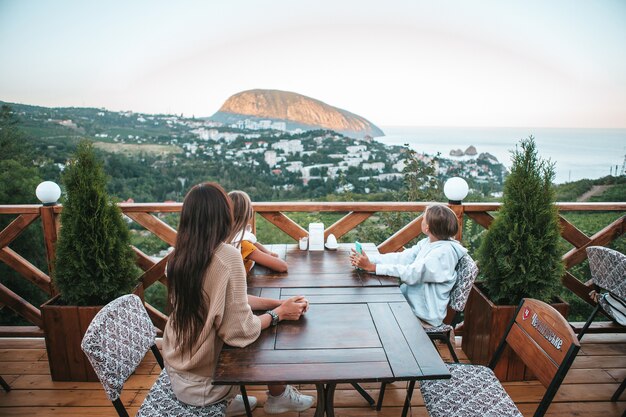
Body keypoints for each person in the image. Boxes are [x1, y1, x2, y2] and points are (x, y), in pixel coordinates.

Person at [162, 183, 314, 417]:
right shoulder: (227, 256)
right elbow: (240, 330)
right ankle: (278, 396)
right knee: (268, 337)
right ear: (224, 216)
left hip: (177, 368)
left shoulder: (177, 256)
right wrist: (279, 315)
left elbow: (228, 301)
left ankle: (242, 398)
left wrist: (277, 304)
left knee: (263, 325)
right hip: (207, 383)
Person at [350, 204, 467, 327]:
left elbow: (412, 273)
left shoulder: (443, 254)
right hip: (410, 302)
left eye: (423, 218)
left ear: (427, 228)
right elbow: (402, 258)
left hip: (424, 315)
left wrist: (373, 267)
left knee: (373, 311)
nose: (421, 220)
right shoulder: (429, 242)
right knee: (372, 304)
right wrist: (370, 260)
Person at [229, 190, 288, 273]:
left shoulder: (227, 234)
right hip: (242, 284)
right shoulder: (241, 243)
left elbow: (253, 242)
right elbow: (282, 266)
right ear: (248, 214)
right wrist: (269, 256)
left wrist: (268, 253)